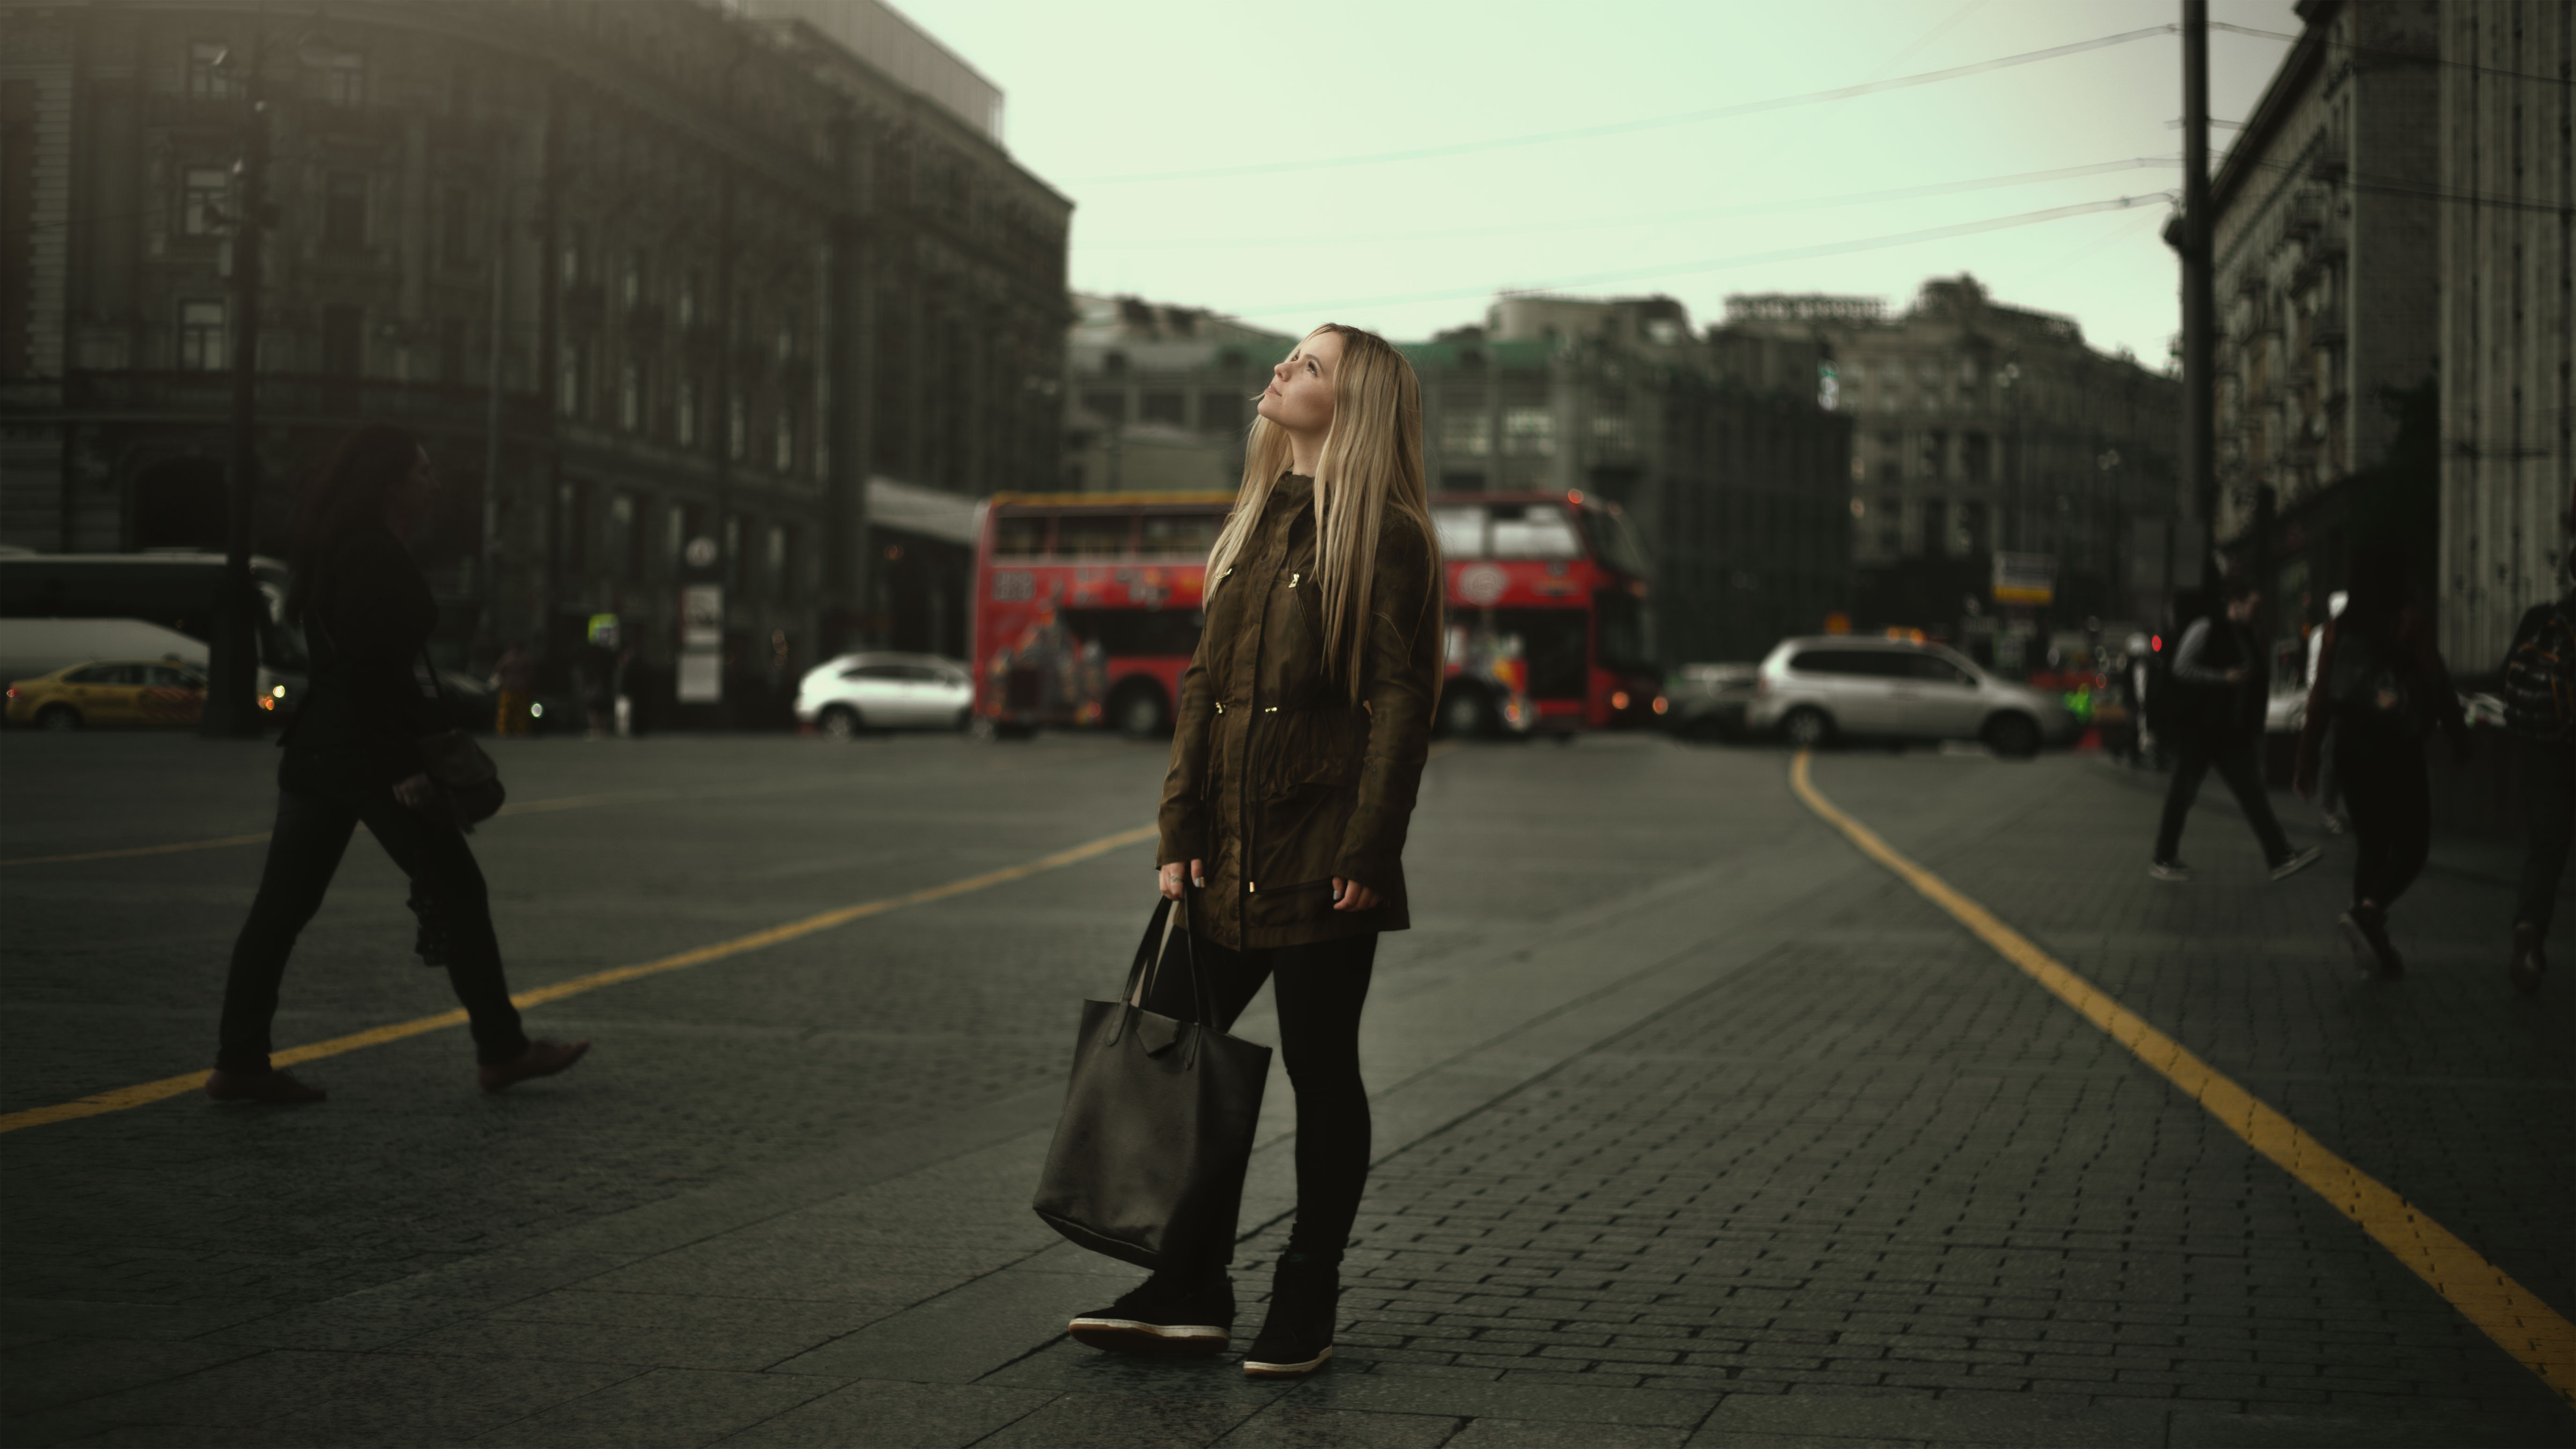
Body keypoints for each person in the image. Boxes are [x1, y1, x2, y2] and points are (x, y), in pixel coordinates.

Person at [1067, 324, 1441, 1380]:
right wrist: (1177, 827)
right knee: (1180, 1054)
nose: (1282, 371)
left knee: (1323, 1072)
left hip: (1324, 854)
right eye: (1288, 357)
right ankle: (1189, 1284)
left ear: (1353, 403)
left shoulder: (1387, 535)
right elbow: (1201, 687)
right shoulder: (1251, 523)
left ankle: (1305, 1288)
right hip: (1222, 852)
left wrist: (1369, 843)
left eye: (1309, 365)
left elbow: (1398, 704)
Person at [207, 424, 589, 1104]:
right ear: (389, 485)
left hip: (318, 752)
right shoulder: (371, 556)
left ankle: (239, 1061)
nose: (433, 482)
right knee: (458, 889)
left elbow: (356, 668)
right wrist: (401, 767)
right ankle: (501, 1049)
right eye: (422, 471)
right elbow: (365, 673)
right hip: (366, 754)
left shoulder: (338, 549)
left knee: (281, 909)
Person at [2295, 550, 2471, 977]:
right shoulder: (2407, 621)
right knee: (2413, 845)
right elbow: (2436, 677)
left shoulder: (2338, 630)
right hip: (2395, 747)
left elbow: (2319, 700)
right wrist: (2458, 733)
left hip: (2350, 750)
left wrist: (2307, 759)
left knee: (2372, 845)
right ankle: (2370, 913)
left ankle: (2371, 947)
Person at [2151, 578, 2324, 883]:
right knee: (2185, 792)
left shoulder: (2245, 634)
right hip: (2202, 729)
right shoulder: (2207, 627)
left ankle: (2279, 855)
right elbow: (2180, 667)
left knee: (2251, 793)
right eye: (2255, 606)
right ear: (2237, 603)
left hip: (2228, 731)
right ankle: (2164, 857)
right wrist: (2222, 678)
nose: (2259, 613)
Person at [2500, 577, 2575, 994]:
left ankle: (2529, 933)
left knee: (2545, 850)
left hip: (2545, 749)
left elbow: (2504, 677)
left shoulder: (2542, 618)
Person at [488, 642, 537, 737]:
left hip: (522, 691)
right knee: (505, 714)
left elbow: (532, 676)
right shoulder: (507, 658)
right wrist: (493, 685)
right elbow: (498, 673)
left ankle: (521, 733)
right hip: (508, 691)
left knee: (521, 715)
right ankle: (503, 733)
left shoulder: (526, 659)